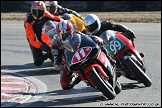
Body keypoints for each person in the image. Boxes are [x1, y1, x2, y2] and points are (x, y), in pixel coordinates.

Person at [24, 1, 63, 67]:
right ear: (31, 10)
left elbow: (57, 19)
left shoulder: (46, 14)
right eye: (35, 12)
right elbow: (32, 40)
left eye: (40, 12)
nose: (37, 15)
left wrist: (65, 23)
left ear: (44, 11)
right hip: (35, 38)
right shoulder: (28, 21)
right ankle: (49, 54)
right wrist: (42, 46)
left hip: (46, 34)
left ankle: (54, 52)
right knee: (38, 62)